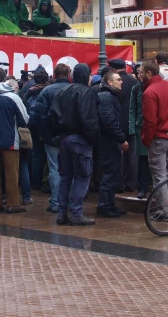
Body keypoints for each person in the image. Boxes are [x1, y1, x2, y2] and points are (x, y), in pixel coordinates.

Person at [49, 63, 99, 225]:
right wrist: (92, 138)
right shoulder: (87, 93)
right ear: (86, 76)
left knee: (65, 177)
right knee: (82, 176)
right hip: (80, 139)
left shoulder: (63, 92)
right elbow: (88, 119)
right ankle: (76, 213)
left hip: (64, 138)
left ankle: (62, 213)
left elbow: (53, 116)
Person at [140, 60, 168, 222]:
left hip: (159, 137)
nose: (139, 75)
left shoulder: (149, 92)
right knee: (166, 171)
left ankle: (164, 211)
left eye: (141, 72)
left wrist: (147, 139)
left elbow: (150, 120)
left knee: (159, 175)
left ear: (149, 73)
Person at [0, 78, 29, 213]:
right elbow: (25, 119)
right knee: (11, 173)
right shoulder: (14, 98)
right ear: (13, 88)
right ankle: (12, 203)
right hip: (10, 140)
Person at [32, 63, 72, 213]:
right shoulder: (74, 90)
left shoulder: (46, 91)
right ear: (68, 74)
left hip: (52, 136)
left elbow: (39, 116)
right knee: (70, 168)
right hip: (71, 135)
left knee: (54, 168)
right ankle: (67, 201)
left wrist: (45, 134)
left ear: (54, 75)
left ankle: (55, 202)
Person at [96, 72, 129, 217]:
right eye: (118, 80)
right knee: (110, 174)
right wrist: (121, 139)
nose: (121, 82)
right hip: (108, 142)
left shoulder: (109, 96)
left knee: (113, 173)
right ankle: (104, 206)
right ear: (110, 82)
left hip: (111, 141)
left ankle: (110, 204)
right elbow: (109, 121)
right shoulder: (106, 97)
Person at [108, 59, 137, 192]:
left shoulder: (114, 82)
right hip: (131, 123)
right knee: (132, 155)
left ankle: (119, 184)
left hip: (117, 123)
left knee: (116, 154)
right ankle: (131, 183)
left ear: (113, 69)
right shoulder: (134, 81)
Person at [24, 69, 49, 195]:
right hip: (42, 126)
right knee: (43, 155)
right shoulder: (47, 91)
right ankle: (41, 181)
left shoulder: (30, 91)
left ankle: (35, 181)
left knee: (34, 155)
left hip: (31, 125)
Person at [129, 64, 149, 199]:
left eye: (141, 73)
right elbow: (132, 109)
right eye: (138, 73)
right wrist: (132, 129)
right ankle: (142, 188)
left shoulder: (154, 88)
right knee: (142, 160)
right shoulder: (136, 89)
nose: (139, 75)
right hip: (140, 128)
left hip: (155, 129)